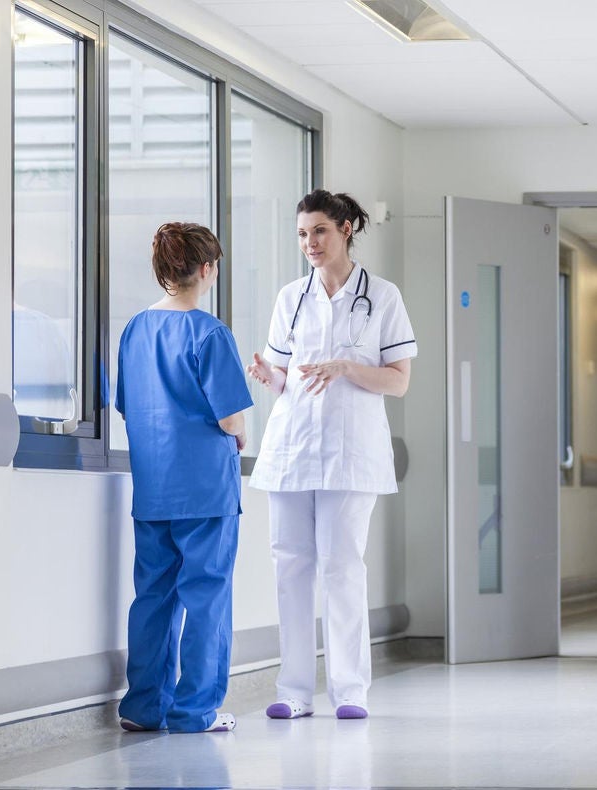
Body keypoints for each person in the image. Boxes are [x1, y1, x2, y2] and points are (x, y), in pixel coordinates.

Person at [247, 189, 416, 720]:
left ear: (345, 229)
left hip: (351, 451)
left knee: (342, 567)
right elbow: (286, 378)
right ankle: (294, 692)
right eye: (302, 233)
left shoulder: (382, 296)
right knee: (290, 567)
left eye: (319, 230)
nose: (310, 242)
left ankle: (350, 691)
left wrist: (345, 367)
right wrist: (267, 375)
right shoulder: (291, 297)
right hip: (292, 447)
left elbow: (399, 381)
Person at [115, 222, 253, 733]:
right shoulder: (210, 333)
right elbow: (231, 418)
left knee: (153, 597)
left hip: (154, 488)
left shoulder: (135, 330)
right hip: (205, 491)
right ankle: (195, 710)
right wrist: (241, 434)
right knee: (207, 597)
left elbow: (127, 406)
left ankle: (143, 708)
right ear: (207, 269)